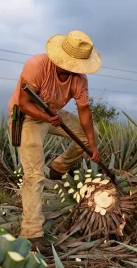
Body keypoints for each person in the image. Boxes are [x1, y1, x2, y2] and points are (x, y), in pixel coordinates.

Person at [7, 30, 102, 254]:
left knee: (91, 135)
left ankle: (59, 166)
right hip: (28, 117)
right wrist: (46, 117)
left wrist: (92, 146)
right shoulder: (36, 65)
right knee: (34, 175)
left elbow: (84, 112)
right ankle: (31, 234)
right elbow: (23, 103)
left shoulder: (79, 80)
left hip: (54, 115)